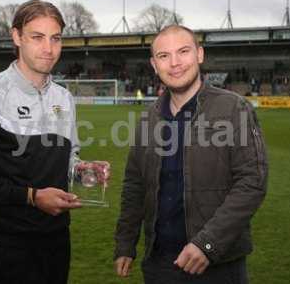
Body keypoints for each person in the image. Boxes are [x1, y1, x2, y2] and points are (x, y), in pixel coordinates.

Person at [0, 0, 109, 284]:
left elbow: (67, 157)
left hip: (57, 238)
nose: (48, 49)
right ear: (16, 37)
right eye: (37, 37)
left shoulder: (63, 98)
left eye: (56, 38)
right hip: (8, 243)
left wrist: (83, 170)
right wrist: (33, 197)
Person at [114, 25, 268, 284]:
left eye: (183, 51)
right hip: (159, 264)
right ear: (154, 64)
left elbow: (253, 182)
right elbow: (134, 186)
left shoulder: (233, 108)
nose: (174, 63)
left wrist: (207, 243)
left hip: (218, 266)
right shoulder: (147, 120)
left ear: (199, 54)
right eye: (164, 56)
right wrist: (125, 243)